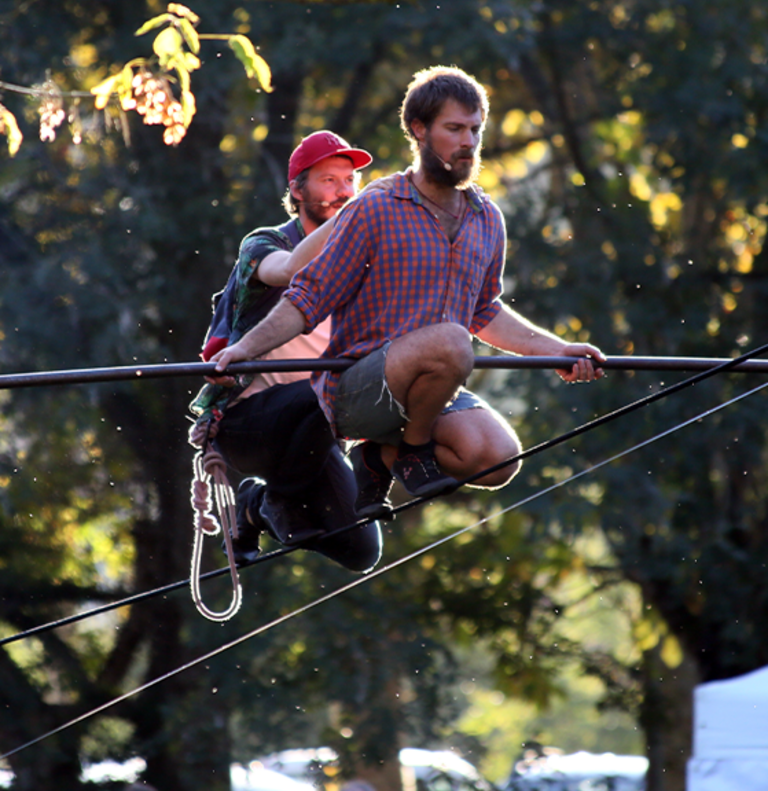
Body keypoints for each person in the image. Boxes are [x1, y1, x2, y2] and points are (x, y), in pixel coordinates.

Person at [213, 66, 605, 518]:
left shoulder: (487, 218)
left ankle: (378, 459)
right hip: (358, 389)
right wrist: (242, 349)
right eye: (454, 129)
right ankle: (410, 450)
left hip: (434, 385)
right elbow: (308, 297)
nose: (469, 142)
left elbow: (485, 311)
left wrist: (558, 351)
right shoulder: (377, 206)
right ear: (419, 131)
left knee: (498, 458)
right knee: (453, 342)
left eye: (475, 129)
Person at [190, 130, 381, 570]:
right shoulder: (264, 243)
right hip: (248, 422)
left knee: (361, 550)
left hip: (317, 425)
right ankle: (274, 499)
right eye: (329, 180)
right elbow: (290, 269)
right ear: (297, 190)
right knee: (335, 386)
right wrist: (359, 214)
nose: (345, 192)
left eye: (350, 181)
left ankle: (258, 506)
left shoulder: (365, 262)